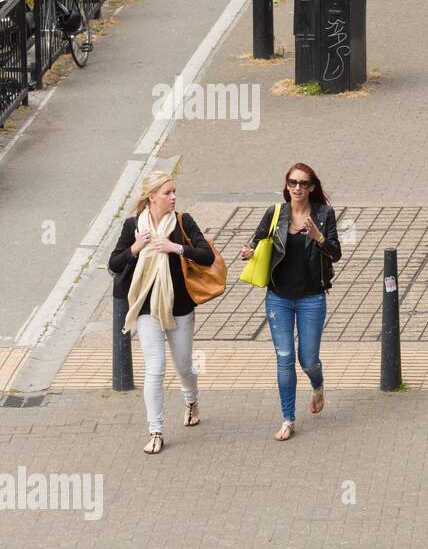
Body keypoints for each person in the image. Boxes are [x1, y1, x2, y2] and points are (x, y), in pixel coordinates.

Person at [109, 172, 214, 454]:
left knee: (183, 366)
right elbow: (115, 263)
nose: (173, 197)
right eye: (167, 192)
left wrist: (176, 248)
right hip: (146, 307)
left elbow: (207, 255)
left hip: (179, 307)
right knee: (155, 368)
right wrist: (135, 248)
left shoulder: (183, 222)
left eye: (174, 191)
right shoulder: (133, 225)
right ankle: (155, 431)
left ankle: (191, 399)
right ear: (151, 196)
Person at [240, 163, 342, 441]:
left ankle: (317, 385)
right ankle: (288, 419)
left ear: (311, 187)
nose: (297, 188)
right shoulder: (276, 213)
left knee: (307, 359)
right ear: (286, 185)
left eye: (303, 183)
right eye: (293, 183)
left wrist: (318, 237)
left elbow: (335, 254)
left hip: (311, 297)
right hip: (278, 298)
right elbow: (257, 242)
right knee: (284, 358)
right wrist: (249, 252)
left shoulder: (323, 214)